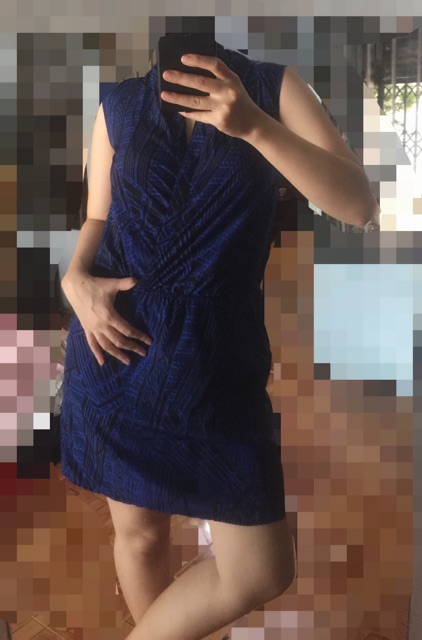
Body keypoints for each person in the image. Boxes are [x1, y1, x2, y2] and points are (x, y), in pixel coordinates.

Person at [59, 31, 379, 640]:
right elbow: (98, 216)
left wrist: (255, 126)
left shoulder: (274, 88)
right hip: (115, 350)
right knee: (140, 536)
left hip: (217, 362)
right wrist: (73, 277)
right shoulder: (118, 104)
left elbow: (358, 205)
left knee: (260, 569)